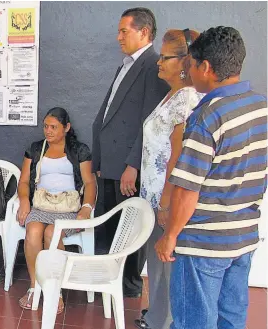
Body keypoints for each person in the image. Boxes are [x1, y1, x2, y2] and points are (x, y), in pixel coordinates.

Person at [156, 26, 267, 329]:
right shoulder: (260, 106)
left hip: (203, 243)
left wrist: (171, 236)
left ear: (205, 67)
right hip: (243, 237)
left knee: (194, 321)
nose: (188, 70)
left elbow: (188, 187)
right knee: (231, 318)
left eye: (191, 64)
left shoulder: (207, 116)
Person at [91, 7, 169, 297]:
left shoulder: (153, 65)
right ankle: (112, 280)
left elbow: (149, 122)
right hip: (111, 162)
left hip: (127, 165)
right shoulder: (126, 64)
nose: (118, 37)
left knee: (131, 229)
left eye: (124, 31)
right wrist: (99, 158)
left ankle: (129, 287)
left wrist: (132, 165)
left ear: (144, 32)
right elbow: (107, 115)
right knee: (112, 225)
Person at [134, 29, 204, 329]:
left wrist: (165, 202)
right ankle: (157, 317)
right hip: (153, 197)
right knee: (157, 265)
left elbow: (178, 156)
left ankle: (168, 322)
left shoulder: (186, 100)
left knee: (168, 266)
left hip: (167, 198)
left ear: (185, 62)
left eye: (165, 57)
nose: (159, 62)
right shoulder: (171, 95)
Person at [17, 107, 97, 314]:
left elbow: (89, 183)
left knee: (52, 233)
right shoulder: (36, 149)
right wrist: (24, 200)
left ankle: (55, 290)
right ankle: (34, 286)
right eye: (46, 126)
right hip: (41, 204)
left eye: (54, 127)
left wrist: (86, 208)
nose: (48, 131)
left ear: (66, 127)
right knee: (33, 230)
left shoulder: (79, 150)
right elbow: (24, 180)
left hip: (68, 208)